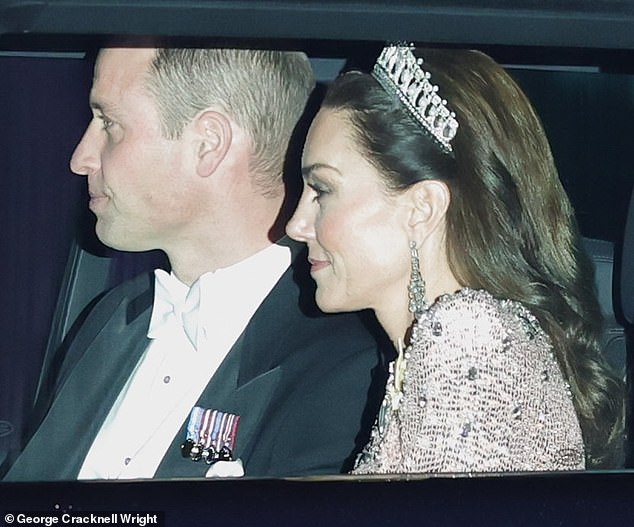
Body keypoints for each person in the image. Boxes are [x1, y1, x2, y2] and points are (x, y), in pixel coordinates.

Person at [2, 45, 388, 480]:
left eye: (109, 124)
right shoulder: (111, 317)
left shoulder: (350, 369)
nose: (81, 158)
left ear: (208, 144)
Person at [286, 44, 624, 473]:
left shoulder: (467, 339)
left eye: (322, 191)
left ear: (422, 207)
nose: (296, 225)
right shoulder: (451, 340)